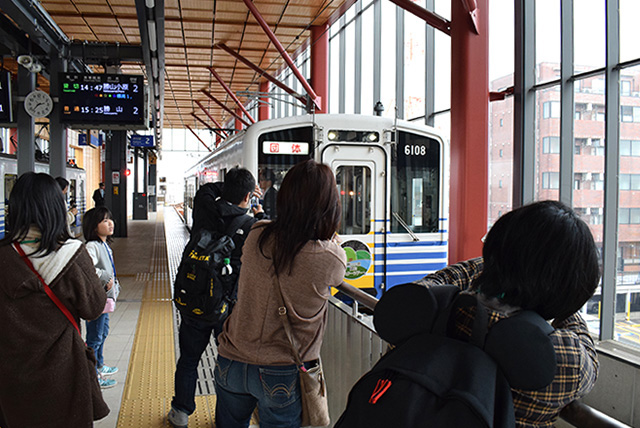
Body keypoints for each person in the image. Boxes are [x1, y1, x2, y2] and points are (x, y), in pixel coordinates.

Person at [415, 200, 600, 427]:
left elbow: (437, 281)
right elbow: (587, 353)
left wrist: (497, 267)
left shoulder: (429, 313)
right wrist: (563, 301)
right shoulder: (563, 359)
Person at [213, 159, 347, 428]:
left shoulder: (257, 235)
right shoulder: (332, 257)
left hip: (232, 360)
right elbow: (333, 271)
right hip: (280, 371)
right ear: (329, 205)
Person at [0, 172, 109, 427]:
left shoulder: (3, 256)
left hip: (10, 377)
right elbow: (94, 307)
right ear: (55, 209)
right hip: (63, 376)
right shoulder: (69, 254)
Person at [168, 168, 265, 428]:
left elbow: (206, 190)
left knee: (188, 359)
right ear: (249, 196)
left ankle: (180, 412)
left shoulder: (204, 208)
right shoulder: (251, 226)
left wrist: (232, 188)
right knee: (228, 364)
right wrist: (260, 213)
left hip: (195, 300)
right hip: (228, 309)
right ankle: (226, 419)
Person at [83, 206, 121, 389]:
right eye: (104, 221)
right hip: (97, 300)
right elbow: (86, 268)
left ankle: (99, 365)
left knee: (102, 332)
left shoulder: (103, 244)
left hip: (104, 300)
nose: (110, 223)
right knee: (95, 337)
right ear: (93, 226)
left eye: (110, 219)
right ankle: (94, 376)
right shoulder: (92, 246)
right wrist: (105, 277)